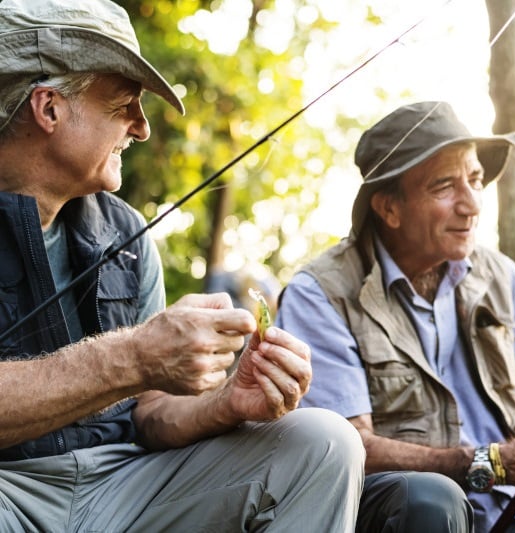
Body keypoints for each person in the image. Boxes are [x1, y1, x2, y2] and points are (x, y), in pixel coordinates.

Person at [0, 0, 366, 531]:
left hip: (123, 485)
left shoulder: (125, 233)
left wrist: (227, 402)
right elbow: (135, 365)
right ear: (49, 107)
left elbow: (150, 413)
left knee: (324, 443)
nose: (142, 128)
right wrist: (134, 356)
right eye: (124, 103)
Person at [276, 100, 515, 532]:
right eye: (445, 186)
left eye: (475, 179)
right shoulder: (321, 294)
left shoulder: (503, 277)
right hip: (411, 513)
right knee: (430, 499)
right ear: (388, 209)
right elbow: (351, 450)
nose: (471, 204)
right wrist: (491, 463)